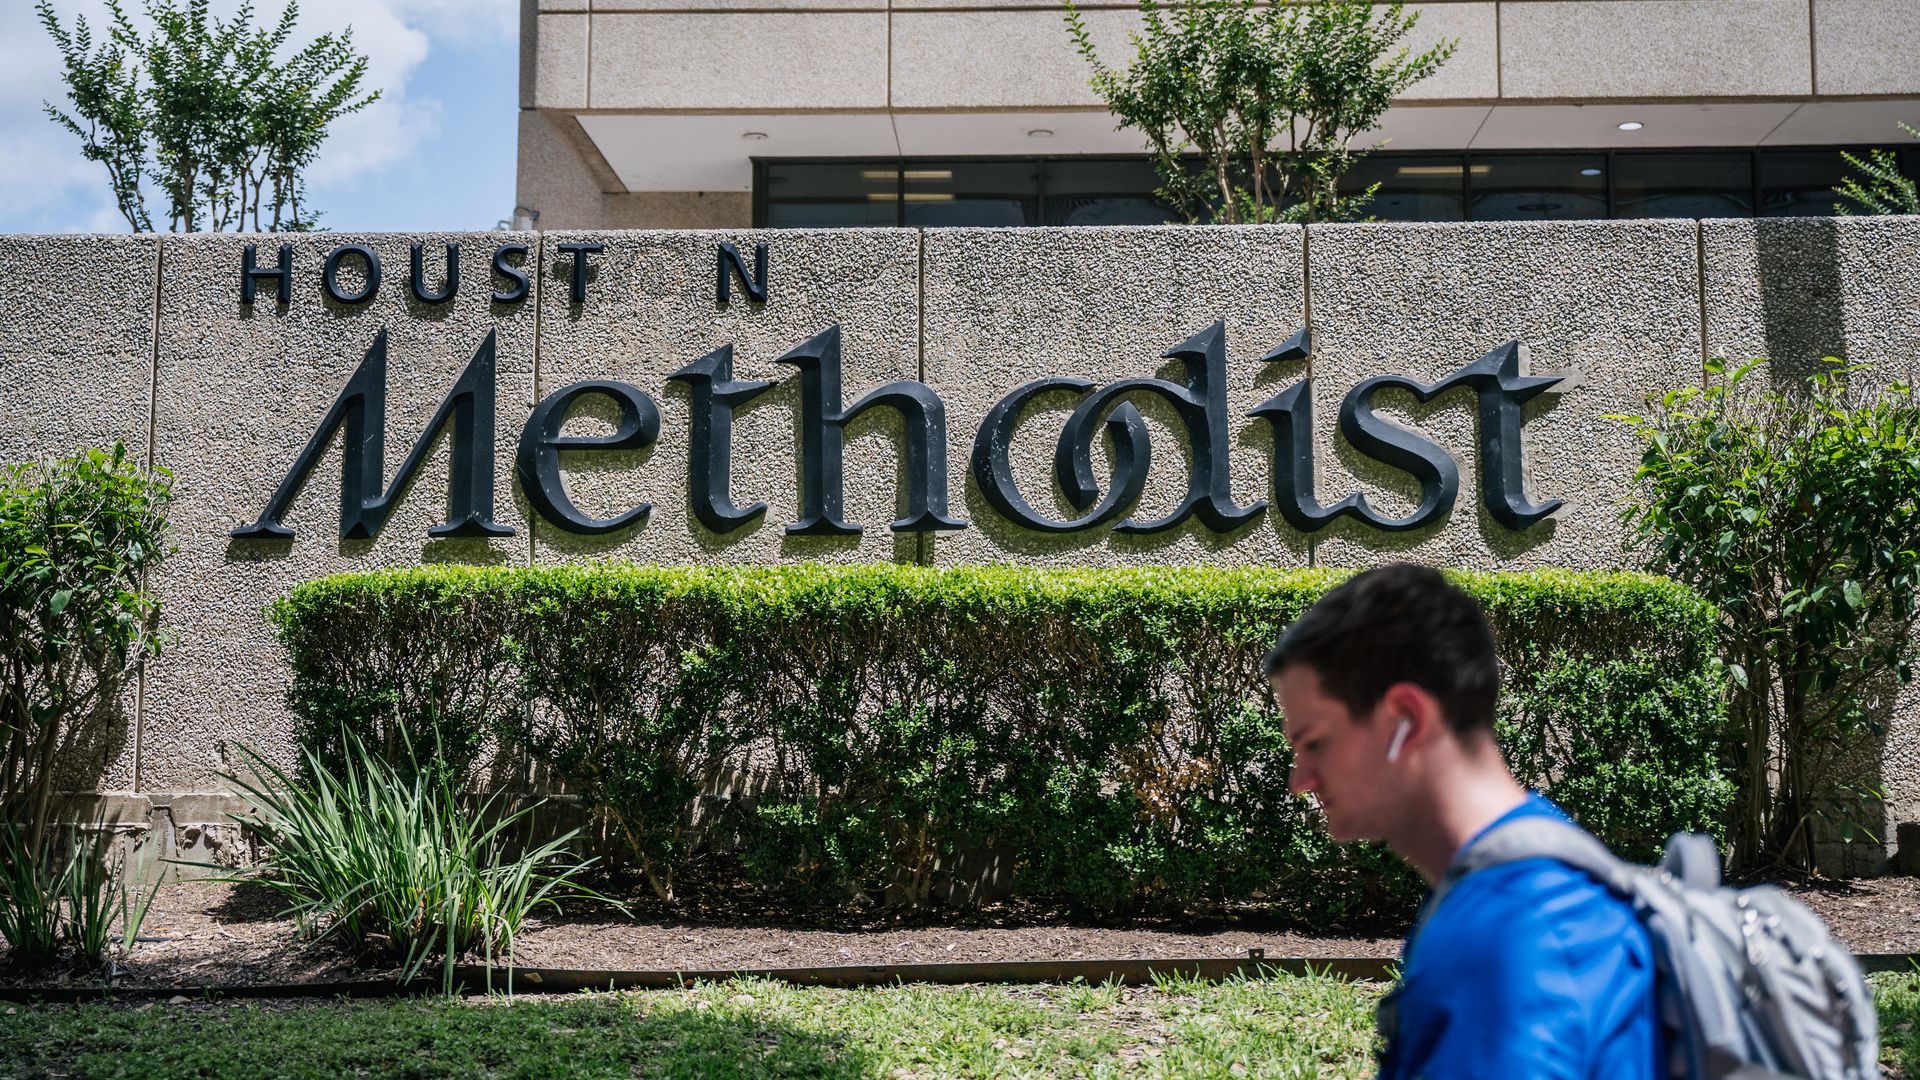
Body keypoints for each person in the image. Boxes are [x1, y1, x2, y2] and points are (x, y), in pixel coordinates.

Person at [1264, 563, 1658, 1080]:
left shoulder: (1505, 935)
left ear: (1406, 717)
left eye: (1314, 743)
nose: (1301, 779)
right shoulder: (1536, 875)